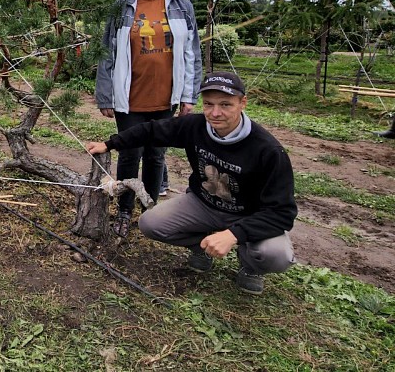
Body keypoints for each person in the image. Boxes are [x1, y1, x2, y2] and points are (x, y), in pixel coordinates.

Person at [87, 71, 297, 295]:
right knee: (150, 224)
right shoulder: (195, 126)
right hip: (203, 204)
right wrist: (109, 144)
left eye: (225, 104)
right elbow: (150, 130)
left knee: (276, 255)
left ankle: (251, 266)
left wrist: (234, 234)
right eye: (208, 104)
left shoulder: (268, 150)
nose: (215, 113)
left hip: (248, 214)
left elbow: (282, 213)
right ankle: (202, 247)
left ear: (242, 103)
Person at [95, 0, 202, 237]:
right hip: (130, 96)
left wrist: (189, 95)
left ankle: (150, 209)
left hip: (165, 95)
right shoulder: (122, 7)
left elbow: (192, 53)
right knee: (130, 154)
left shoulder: (182, 5)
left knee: (156, 155)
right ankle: (124, 211)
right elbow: (107, 53)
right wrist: (105, 94)